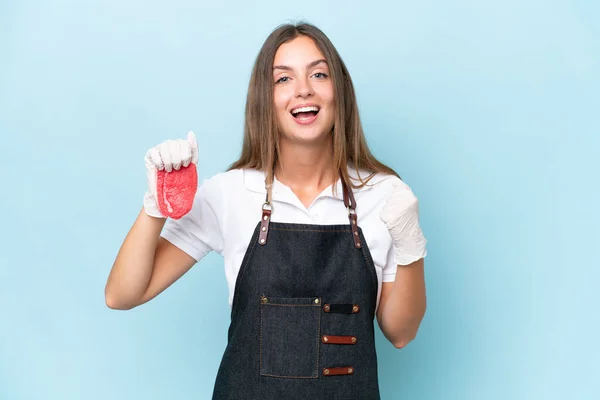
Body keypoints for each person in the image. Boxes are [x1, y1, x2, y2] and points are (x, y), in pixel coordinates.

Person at [105, 22, 428, 400]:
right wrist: (156, 207)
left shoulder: (385, 195)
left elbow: (401, 333)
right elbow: (122, 295)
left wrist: (411, 247)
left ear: (340, 92)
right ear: (264, 98)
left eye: (319, 74)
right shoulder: (231, 193)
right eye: (283, 79)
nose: (303, 89)